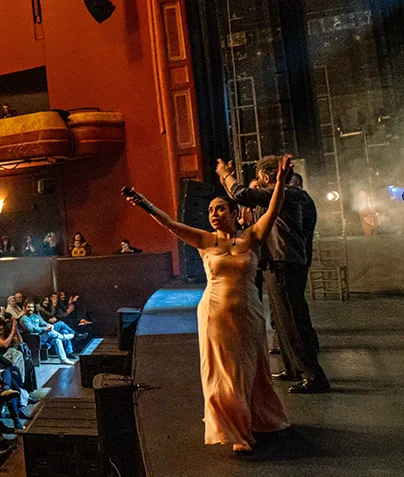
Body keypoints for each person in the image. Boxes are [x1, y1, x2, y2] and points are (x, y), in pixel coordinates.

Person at [125, 156, 293, 452]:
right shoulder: (205, 241)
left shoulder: (251, 238)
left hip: (249, 313)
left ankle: (255, 418)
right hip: (215, 314)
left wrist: (280, 182)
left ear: (234, 211)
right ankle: (234, 433)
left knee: (252, 368)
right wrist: (143, 203)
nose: (213, 214)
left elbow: (274, 209)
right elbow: (170, 224)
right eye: (210, 211)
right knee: (222, 372)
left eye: (219, 209)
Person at [218, 156, 330, 394]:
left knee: (291, 320)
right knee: (281, 320)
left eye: (259, 179)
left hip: (284, 262)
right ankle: (293, 368)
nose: (258, 184)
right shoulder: (293, 196)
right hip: (281, 261)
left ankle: (313, 375)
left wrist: (225, 174)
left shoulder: (286, 194)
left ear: (268, 177)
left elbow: (240, 193)